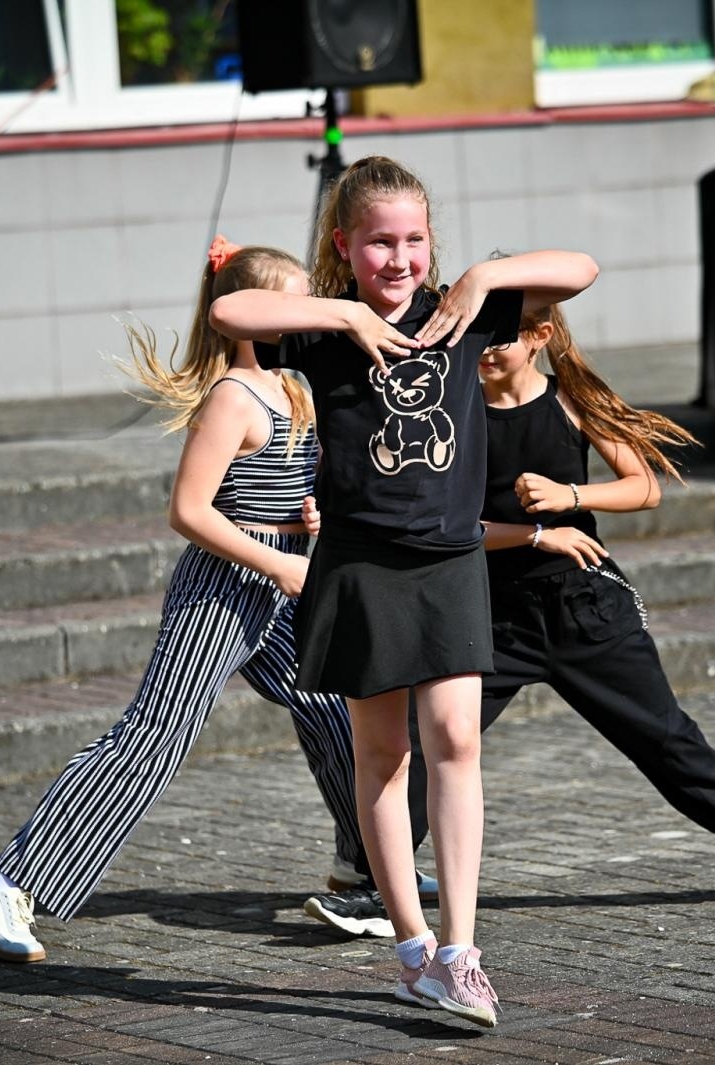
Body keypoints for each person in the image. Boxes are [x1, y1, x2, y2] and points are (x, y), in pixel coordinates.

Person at [208, 156, 598, 1028]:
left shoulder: (463, 310)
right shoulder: (325, 327)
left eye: (414, 239)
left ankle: (462, 951)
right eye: (379, 242)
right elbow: (230, 309)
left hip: (452, 559)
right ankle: (415, 950)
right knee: (381, 755)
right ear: (346, 246)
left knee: (456, 735)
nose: (399, 258)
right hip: (362, 563)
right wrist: (339, 308)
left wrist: (486, 274)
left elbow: (581, 269)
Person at [302, 300, 715, 935]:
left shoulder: (569, 400)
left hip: (584, 613)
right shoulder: (455, 411)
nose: (483, 350)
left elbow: (643, 485)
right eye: (474, 338)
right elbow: (448, 528)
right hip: (490, 614)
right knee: (429, 743)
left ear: (540, 336)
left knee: (663, 737)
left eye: (500, 338)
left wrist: (571, 498)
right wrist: (535, 533)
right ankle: (378, 887)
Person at [0, 238, 373, 961]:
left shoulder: (294, 386)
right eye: (291, 299)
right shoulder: (231, 396)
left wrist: (305, 516)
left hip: (278, 580)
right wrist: (278, 564)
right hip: (225, 585)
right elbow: (189, 510)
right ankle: (8, 880)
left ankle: (363, 867)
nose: (306, 310)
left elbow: (278, 489)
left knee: (333, 706)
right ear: (245, 314)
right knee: (156, 735)